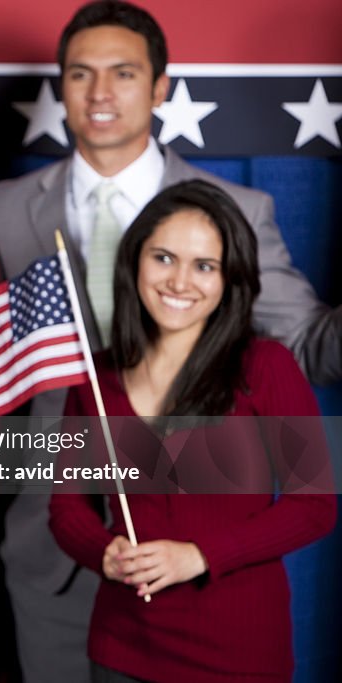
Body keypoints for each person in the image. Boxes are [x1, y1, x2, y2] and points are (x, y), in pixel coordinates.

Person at [0, 2, 342, 679]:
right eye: (81, 74)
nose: (102, 93)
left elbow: (312, 346)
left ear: (160, 86)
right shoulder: (6, 206)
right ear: (61, 86)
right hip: (59, 545)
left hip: (207, 562)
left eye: (123, 72)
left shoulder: (237, 211)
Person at [49, 179, 336, 682]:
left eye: (204, 266)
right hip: (120, 644)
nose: (179, 281)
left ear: (231, 279)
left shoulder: (267, 367)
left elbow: (315, 507)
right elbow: (66, 505)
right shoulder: (98, 378)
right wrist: (104, 551)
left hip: (237, 651)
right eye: (163, 257)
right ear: (135, 260)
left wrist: (201, 556)